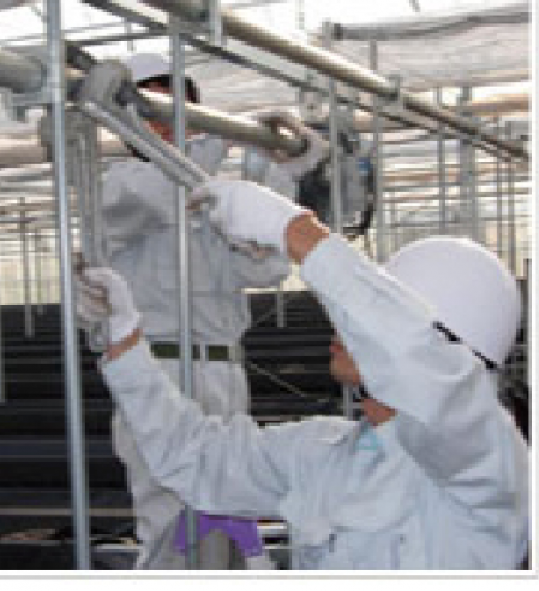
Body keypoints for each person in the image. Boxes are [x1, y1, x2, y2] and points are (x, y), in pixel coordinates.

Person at [77, 165, 529, 569]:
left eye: (366, 322)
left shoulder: (487, 467)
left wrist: (295, 231)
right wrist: (126, 346)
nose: (344, 326)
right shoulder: (324, 453)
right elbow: (195, 457)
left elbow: (428, 377)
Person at [98, 52, 327, 569]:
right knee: (168, 519)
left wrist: (279, 173)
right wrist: (226, 136)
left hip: (223, 369)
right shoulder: (119, 186)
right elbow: (161, 193)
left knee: (230, 509)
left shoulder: (208, 197)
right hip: (157, 372)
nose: (166, 125)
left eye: (175, 110)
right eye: (152, 111)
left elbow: (265, 267)